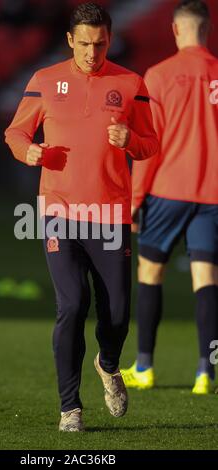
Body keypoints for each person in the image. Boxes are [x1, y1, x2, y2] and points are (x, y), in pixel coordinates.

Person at [5, 2, 158, 431]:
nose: (93, 53)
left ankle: (108, 364)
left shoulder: (130, 83)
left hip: (109, 215)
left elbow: (150, 143)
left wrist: (131, 139)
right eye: (86, 44)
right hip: (58, 211)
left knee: (116, 314)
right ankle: (69, 407)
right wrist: (28, 151)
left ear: (110, 39)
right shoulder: (45, 80)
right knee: (71, 305)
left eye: (101, 43)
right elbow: (15, 132)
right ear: (70, 40)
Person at [121, 0, 218, 395]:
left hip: (166, 191)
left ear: (176, 30)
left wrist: (134, 199)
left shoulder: (158, 76)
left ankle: (144, 367)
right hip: (212, 194)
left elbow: (148, 144)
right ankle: (205, 372)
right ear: (207, 31)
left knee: (149, 274)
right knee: (207, 280)